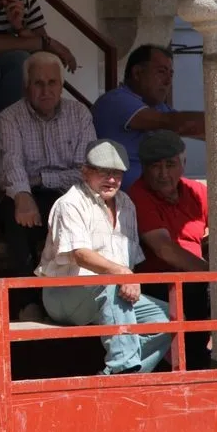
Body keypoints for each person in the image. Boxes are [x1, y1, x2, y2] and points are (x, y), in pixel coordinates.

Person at [36, 139, 172, 375]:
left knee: (169, 317)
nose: (111, 179)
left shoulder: (126, 203)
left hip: (110, 292)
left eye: (117, 173)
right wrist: (122, 274)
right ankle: (122, 368)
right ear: (85, 172)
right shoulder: (70, 203)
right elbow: (80, 254)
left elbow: (128, 262)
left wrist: (124, 276)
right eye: (103, 172)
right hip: (64, 295)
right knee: (111, 283)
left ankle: (122, 377)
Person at [0, 51, 96, 317]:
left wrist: (42, 178)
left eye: (52, 83)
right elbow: (12, 164)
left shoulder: (79, 114)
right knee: (15, 217)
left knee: (79, 214)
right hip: (28, 192)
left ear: (61, 85)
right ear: (26, 86)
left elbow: (85, 171)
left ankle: (76, 299)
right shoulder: (9, 117)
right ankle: (28, 302)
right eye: (38, 83)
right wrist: (22, 194)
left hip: (69, 193)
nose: (46, 90)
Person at [127, 130, 210, 369]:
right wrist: (211, 273)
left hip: (196, 281)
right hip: (158, 283)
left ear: (183, 163)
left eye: (170, 165)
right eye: (155, 166)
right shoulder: (137, 194)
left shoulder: (197, 191)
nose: (163, 174)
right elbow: (164, 249)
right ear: (144, 168)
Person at [91, 45, 205, 190]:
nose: (168, 81)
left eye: (171, 75)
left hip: (157, 192)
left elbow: (196, 128)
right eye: (161, 72)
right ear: (137, 73)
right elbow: (177, 124)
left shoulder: (158, 107)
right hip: (122, 197)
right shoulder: (115, 100)